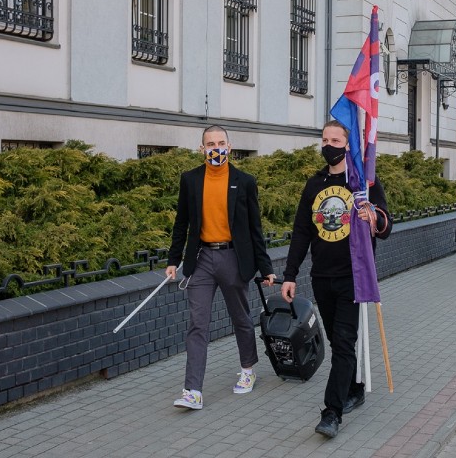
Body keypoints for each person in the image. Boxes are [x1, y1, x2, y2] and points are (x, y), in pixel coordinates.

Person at [280, 120, 392, 439]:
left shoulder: (363, 182)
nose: (328, 144)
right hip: (321, 277)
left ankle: (332, 412)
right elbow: (302, 231)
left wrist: (373, 217)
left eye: (335, 139)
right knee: (337, 340)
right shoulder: (314, 184)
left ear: (347, 145)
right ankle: (354, 386)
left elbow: (386, 224)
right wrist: (290, 275)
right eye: (324, 139)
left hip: (353, 277)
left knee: (344, 342)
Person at [165, 125, 276, 410]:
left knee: (240, 317)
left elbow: (255, 228)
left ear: (230, 145)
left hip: (233, 258)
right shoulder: (190, 180)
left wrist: (266, 268)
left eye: (221, 142)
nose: (216, 148)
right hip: (201, 259)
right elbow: (182, 223)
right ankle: (193, 391)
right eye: (210, 144)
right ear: (201, 148)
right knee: (197, 324)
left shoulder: (245, 181)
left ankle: (248, 369)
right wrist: (172, 260)